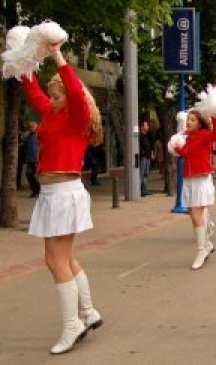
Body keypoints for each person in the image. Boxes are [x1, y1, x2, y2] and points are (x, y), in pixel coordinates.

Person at [21, 42, 103, 354]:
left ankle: (73, 324)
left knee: (54, 260)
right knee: (65, 259)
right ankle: (88, 312)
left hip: (64, 193)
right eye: (52, 96)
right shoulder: (52, 113)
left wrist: (57, 57)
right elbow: (33, 93)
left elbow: (76, 92)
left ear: (69, 98)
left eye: (57, 96)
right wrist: (24, 60)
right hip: (52, 194)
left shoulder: (76, 117)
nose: (51, 101)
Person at [172, 111, 216, 270]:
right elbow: (186, 153)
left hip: (201, 180)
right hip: (188, 179)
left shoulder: (204, 134)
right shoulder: (187, 136)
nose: (188, 122)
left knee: (196, 216)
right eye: (188, 120)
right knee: (196, 215)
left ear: (199, 123)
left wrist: (215, 115)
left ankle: (202, 250)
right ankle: (206, 244)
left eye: (192, 120)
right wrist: (176, 148)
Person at [25, 121, 40, 197]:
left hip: (38, 160)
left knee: (40, 176)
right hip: (30, 160)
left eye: (32, 127)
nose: (31, 128)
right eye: (30, 127)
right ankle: (36, 190)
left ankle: (40, 191)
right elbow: (26, 148)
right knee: (28, 174)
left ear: (36, 127)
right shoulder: (28, 137)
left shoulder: (39, 135)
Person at [139, 120, 154, 196]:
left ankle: (145, 189)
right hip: (143, 157)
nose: (147, 127)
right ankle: (140, 190)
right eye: (146, 125)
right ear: (142, 127)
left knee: (145, 174)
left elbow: (149, 146)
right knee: (142, 174)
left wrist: (151, 153)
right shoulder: (140, 136)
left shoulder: (147, 136)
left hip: (147, 157)